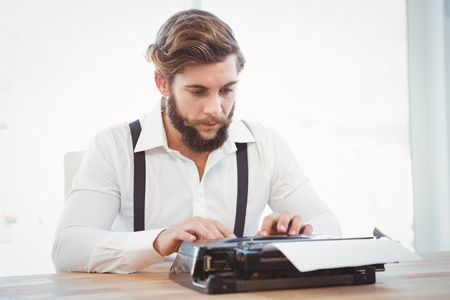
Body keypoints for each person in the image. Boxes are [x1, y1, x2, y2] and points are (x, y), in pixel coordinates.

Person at [52, 9, 341, 274]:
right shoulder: (113, 146)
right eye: (198, 91)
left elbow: (329, 227)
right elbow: (67, 248)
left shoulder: (265, 145)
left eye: (226, 90)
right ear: (163, 84)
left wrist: (297, 240)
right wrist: (159, 240)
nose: (216, 109)